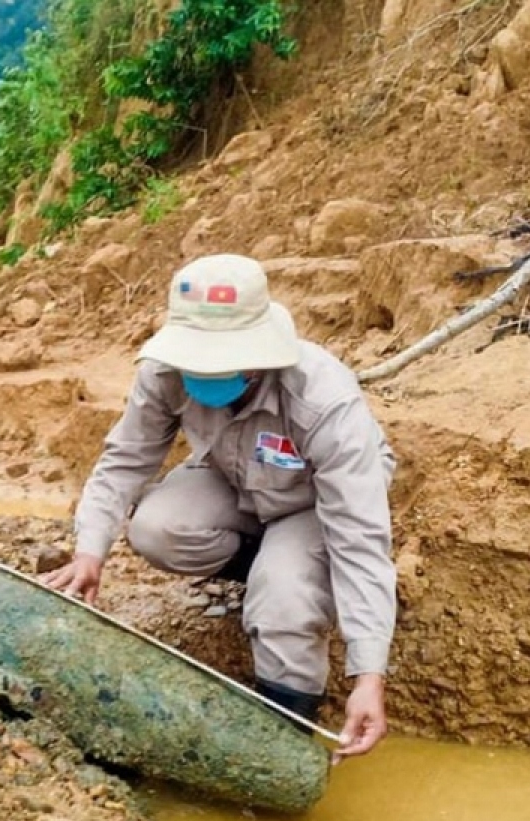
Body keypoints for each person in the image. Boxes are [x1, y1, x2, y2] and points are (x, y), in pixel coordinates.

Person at [42, 253, 397, 760]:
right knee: (157, 527)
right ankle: (270, 565)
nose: (202, 370)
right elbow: (125, 459)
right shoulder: (165, 374)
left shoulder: (322, 400)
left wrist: (368, 674)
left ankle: (283, 741)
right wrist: (89, 550)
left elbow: (359, 536)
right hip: (235, 477)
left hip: (314, 500)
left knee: (284, 597)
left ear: (258, 352)